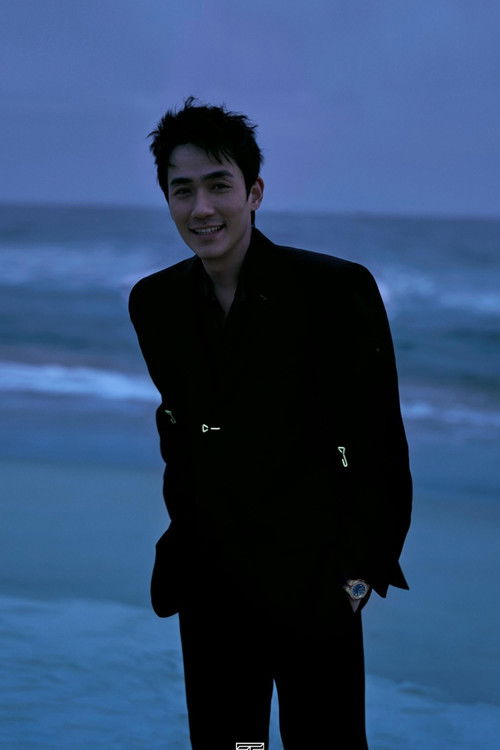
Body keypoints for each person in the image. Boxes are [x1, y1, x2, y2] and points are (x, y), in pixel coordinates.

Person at [128, 96, 412, 750]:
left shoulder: (335, 290)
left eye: (219, 185)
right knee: (235, 746)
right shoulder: (157, 303)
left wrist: (358, 576)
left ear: (254, 193)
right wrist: (186, 548)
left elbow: (380, 447)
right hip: (212, 584)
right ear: (168, 200)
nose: (202, 208)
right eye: (182, 190)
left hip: (317, 583)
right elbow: (182, 437)